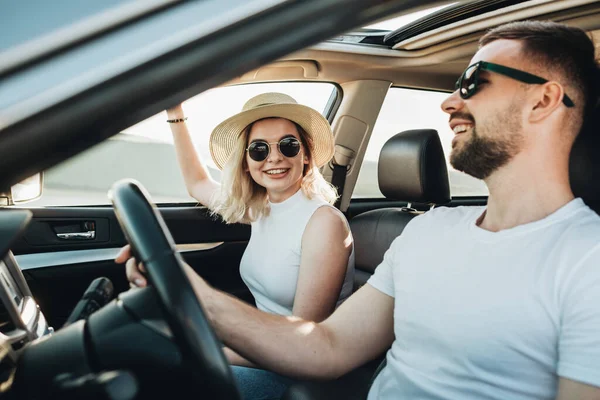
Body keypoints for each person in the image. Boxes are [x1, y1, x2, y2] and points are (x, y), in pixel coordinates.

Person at [130, 20, 600, 400]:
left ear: (543, 100)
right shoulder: (426, 232)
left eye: (474, 83)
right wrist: (192, 297)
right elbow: (327, 347)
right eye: (457, 84)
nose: (449, 102)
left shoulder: (587, 259)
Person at [116, 92, 355, 398]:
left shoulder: (324, 224)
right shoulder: (262, 209)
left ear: (305, 155)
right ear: (245, 162)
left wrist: (204, 348)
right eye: (259, 149)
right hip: (263, 354)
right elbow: (197, 184)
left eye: (288, 145)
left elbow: (303, 345)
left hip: (298, 374)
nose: (275, 157)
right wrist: (174, 112)